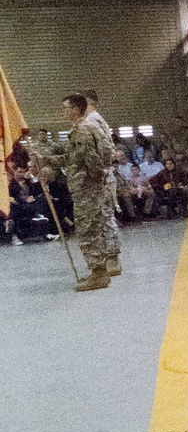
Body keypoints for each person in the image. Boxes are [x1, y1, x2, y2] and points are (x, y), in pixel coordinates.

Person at [43, 93, 117, 290]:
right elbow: (72, 158)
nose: (64, 112)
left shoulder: (83, 130)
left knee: (87, 231)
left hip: (87, 189)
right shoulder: (84, 128)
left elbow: (92, 159)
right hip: (88, 188)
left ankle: (99, 274)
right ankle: (98, 271)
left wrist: (94, 180)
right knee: (92, 229)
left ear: (76, 109)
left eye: (66, 108)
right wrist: (46, 158)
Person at [82, 90, 122, 274]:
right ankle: (109, 256)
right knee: (103, 217)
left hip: (100, 179)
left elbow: (105, 149)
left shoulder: (92, 121)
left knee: (105, 217)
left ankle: (112, 257)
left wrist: (101, 171)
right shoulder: (94, 120)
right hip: (99, 177)